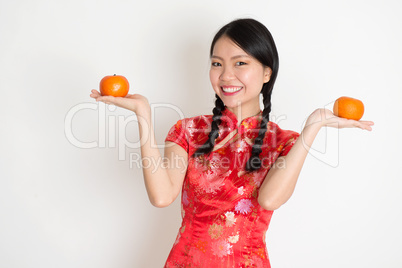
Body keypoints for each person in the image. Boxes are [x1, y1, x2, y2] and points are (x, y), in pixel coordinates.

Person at [90, 18, 374, 268]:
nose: (226, 75)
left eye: (240, 63)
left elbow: (269, 199)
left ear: (267, 72)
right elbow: (162, 197)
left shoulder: (283, 143)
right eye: (217, 64)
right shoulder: (187, 130)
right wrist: (143, 115)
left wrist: (312, 128)